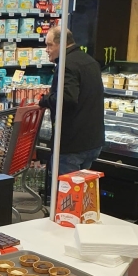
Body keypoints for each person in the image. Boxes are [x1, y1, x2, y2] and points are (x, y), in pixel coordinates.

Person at [39, 26, 104, 175]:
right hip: (92, 141)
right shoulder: (90, 61)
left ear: (62, 44)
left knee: (66, 189)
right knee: (81, 187)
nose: (46, 50)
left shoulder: (66, 65)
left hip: (72, 145)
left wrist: (44, 100)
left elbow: (67, 98)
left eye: (49, 45)